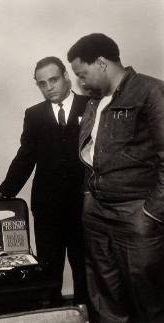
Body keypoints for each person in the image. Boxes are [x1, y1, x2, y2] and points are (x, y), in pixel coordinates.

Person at [67, 33, 164, 323]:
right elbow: (91, 153)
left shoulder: (151, 92)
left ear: (101, 63)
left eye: (82, 74)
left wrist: (151, 213)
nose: (80, 83)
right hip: (96, 210)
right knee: (104, 294)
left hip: (136, 212)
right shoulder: (94, 102)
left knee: (148, 298)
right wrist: (88, 197)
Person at [0, 56, 89, 306]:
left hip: (84, 206)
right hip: (47, 207)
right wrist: (4, 189)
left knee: (85, 268)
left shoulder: (91, 106)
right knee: (49, 269)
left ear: (65, 76)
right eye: (42, 83)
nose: (49, 87)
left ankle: (86, 316)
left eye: (53, 79)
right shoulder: (34, 115)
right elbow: (25, 157)